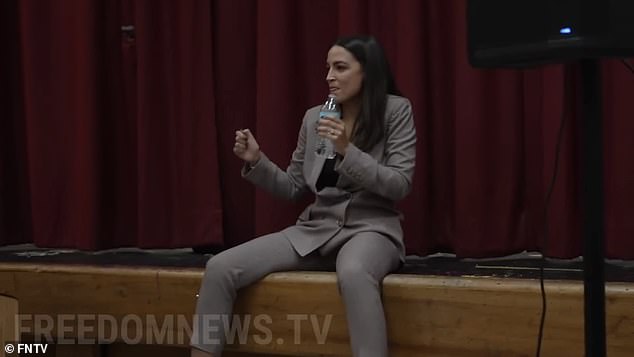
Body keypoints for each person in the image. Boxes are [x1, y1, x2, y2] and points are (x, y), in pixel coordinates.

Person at [191, 35, 416, 357]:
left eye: (340, 68)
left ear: (367, 72)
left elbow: (399, 184)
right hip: (315, 229)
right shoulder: (316, 117)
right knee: (221, 267)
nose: (329, 77)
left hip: (370, 228)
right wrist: (257, 161)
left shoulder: (395, 111)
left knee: (353, 272)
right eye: (327, 68)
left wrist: (346, 151)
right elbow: (294, 186)